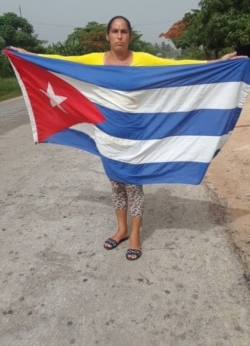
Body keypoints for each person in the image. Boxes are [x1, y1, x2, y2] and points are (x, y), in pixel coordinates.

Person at [12, 15, 242, 260]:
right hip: (108, 135)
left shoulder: (142, 59)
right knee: (116, 185)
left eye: (123, 32)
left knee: (133, 185)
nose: (119, 36)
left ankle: (135, 235)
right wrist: (28, 55)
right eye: (115, 31)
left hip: (136, 136)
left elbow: (180, 66)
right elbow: (61, 62)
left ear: (130, 36)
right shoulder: (94, 61)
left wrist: (216, 62)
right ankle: (121, 229)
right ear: (108, 36)